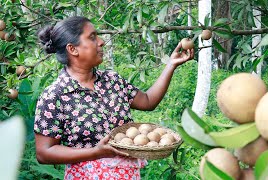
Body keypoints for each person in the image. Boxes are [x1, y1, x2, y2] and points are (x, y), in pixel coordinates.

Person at [34, 16, 194, 180]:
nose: (101, 41)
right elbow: (44, 152)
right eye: (92, 37)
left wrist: (171, 65)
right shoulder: (55, 95)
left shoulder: (112, 81)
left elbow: (147, 101)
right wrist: (95, 152)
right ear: (73, 49)